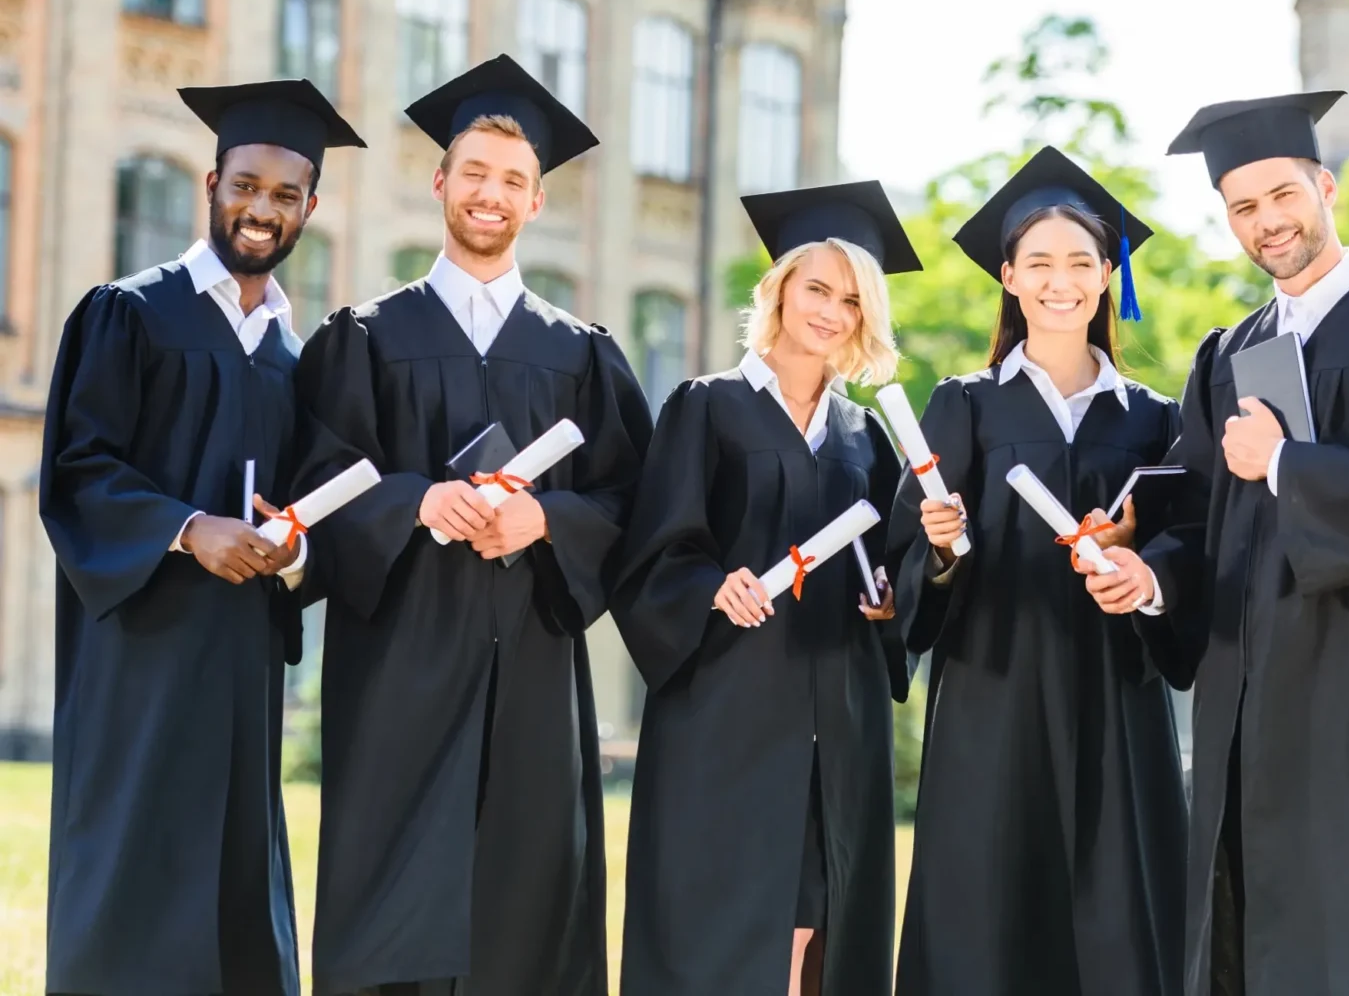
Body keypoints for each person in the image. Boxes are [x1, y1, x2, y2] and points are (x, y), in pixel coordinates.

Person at [1082, 90, 1349, 995]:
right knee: (1248, 931)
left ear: (1325, 186)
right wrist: (1149, 579)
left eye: (1282, 195)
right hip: (1249, 705)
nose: (1267, 222)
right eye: (1243, 207)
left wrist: (1287, 464)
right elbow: (1198, 518)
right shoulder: (1227, 353)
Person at [292, 54, 652, 996]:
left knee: (527, 896)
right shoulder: (365, 338)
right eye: (477, 173)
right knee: (392, 889)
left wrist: (547, 518)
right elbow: (315, 479)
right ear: (441, 180)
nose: (492, 195)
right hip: (400, 662)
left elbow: (636, 504)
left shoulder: (581, 356)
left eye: (514, 181)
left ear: (537, 204)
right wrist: (412, 500)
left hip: (533, 661)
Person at [38, 79, 364, 995]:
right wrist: (187, 530)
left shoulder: (294, 357)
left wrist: (293, 551)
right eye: (246, 187)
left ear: (310, 206)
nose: (262, 210)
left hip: (242, 662)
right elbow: (78, 469)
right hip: (142, 656)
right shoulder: (132, 312)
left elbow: (309, 509)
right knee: (136, 867)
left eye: (285, 195)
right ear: (212, 183)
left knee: (236, 880)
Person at [887, 146, 1187, 996]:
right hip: (994, 694)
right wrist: (938, 547)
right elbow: (912, 560)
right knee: (989, 914)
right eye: (1041, 263)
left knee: (1117, 918)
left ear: (1107, 277)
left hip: (1114, 697)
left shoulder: (1154, 420)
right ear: (1010, 277)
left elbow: (1188, 553)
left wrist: (1145, 564)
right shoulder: (965, 403)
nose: (1062, 281)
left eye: (1082, 262)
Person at [611, 181, 917, 996]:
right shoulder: (705, 408)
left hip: (837, 716)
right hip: (728, 709)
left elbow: (895, 566)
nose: (831, 312)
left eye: (851, 301)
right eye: (816, 287)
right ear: (778, 288)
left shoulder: (867, 435)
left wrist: (893, 596)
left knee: (823, 903)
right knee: (722, 906)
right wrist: (713, 586)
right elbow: (652, 554)